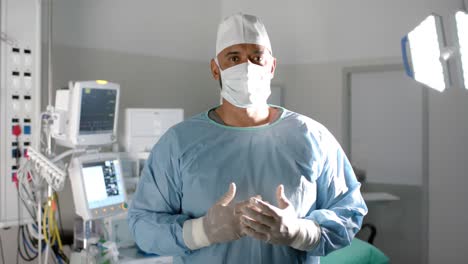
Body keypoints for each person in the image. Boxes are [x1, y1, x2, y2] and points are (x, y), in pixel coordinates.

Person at [128, 13, 368, 264]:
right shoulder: (178, 143)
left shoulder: (312, 137)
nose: (247, 67)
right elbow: (142, 225)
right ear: (215, 69)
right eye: (234, 58)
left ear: (272, 66)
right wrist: (202, 231)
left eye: (257, 57)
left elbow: (349, 213)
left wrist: (299, 232)